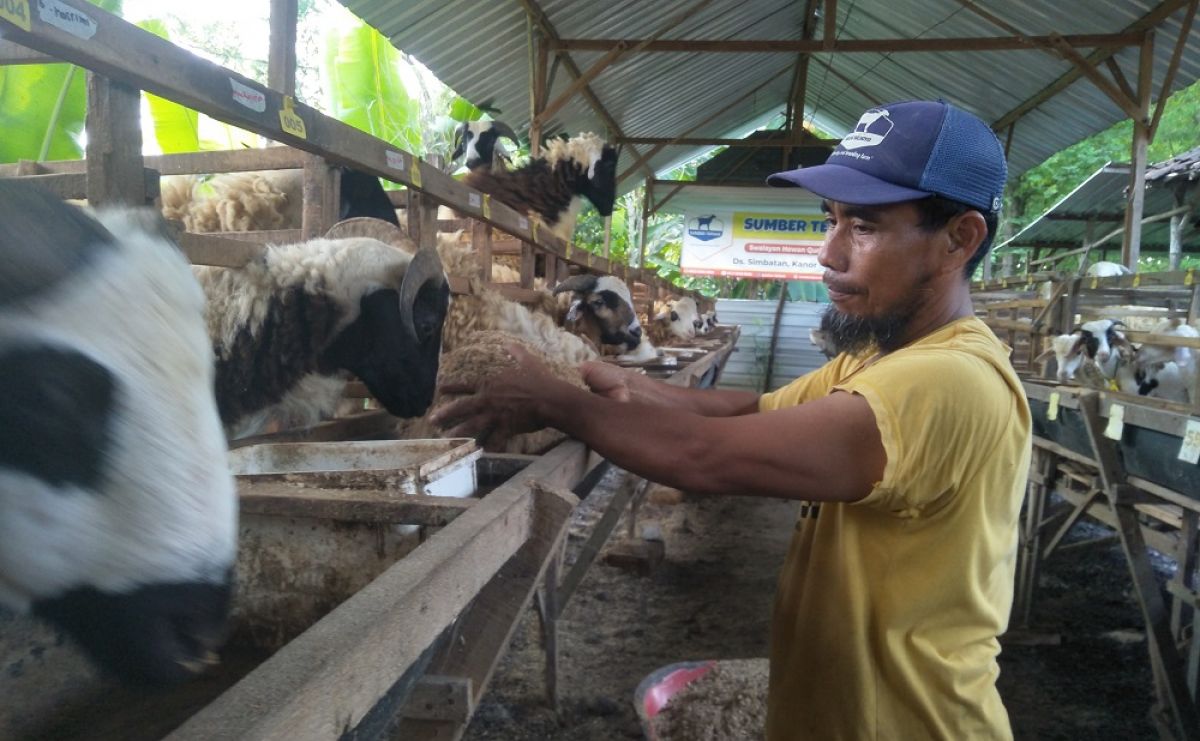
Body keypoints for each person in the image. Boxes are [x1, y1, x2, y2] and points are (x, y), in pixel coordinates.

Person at [431, 99, 1031, 741]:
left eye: (864, 227)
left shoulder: (948, 381)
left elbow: (707, 456)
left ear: (959, 239)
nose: (827, 254)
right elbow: (745, 407)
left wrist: (553, 400)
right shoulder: (883, 360)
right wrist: (618, 381)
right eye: (831, 220)